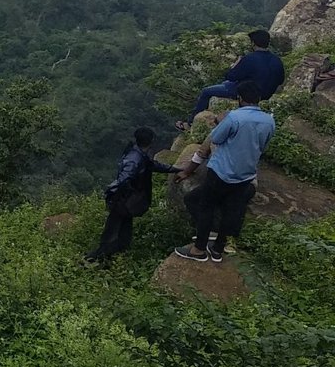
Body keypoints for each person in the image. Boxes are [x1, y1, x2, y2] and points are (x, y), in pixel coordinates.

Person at [173, 80, 276, 262]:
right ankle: (218, 249)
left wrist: (220, 122)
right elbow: (263, 146)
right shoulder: (269, 121)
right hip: (245, 175)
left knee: (206, 206)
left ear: (239, 98)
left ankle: (199, 250)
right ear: (259, 98)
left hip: (222, 172)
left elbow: (217, 139)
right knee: (232, 209)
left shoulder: (234, 118)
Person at [85, 127, 181, 264]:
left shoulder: (139, 154)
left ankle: (114, 257)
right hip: (123, 200)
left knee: (123, 229)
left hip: (125, 201)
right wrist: (114, 194)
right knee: (112, 232)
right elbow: (123, 179)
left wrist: (175, 169)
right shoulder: (135, 158)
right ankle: (95, 259)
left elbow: (153, 166)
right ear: (152, 140)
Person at [177, 29, 284, 129]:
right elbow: (280, 80)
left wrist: (236, 64)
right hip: (267, 94)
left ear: (253, 43)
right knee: (226, 84)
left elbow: (231, 76)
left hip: (246, 92)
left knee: (206, 91)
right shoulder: (277, 60)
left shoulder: (250, 59)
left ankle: (190, 124)